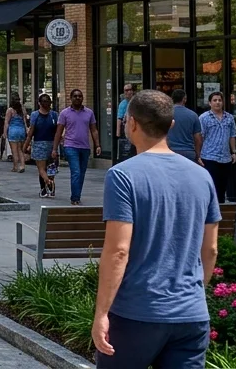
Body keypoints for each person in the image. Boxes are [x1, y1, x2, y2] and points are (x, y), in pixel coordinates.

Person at [92, 90, 220, 369]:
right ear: (171, 126)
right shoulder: (202, 176)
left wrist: (101, 313)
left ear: (132, 124)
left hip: (137, 312)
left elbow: (118, 251)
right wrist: (194, 292)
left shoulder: (123, 175)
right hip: (191, 314)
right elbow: (210, 249)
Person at [55, 89, 101, 206]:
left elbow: (94, 130)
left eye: (80, 96)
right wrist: (54, 149)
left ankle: (77, 195)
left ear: (82, 98)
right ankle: (75, 198)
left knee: (81, 173)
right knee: (76, 172)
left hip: (85, 147)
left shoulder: (89, 113)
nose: (77, 98)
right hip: (70, 146)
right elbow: (59, 132)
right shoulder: (65, 113)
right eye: (75, 96)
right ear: (71, 98)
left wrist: (97, 145)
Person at [198, 90, 236, 203]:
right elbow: (200, 137)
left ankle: (221, 211)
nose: (217, 102)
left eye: (220, 100)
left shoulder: (229, 118)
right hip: (209, 157)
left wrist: (234, 152)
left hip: (225, 158)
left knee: (222, 187)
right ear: (210, 103)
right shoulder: (204, 118)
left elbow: (232, 136)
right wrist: (198, 154)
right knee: (211, 186)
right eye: (215, 100)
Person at [26, 93, 59, 198]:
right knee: (44, 168)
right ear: (39, 103)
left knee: (48, 168)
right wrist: (26, 145)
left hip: (51, 143)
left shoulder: (54, 115)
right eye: (43, 101)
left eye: (47, 101)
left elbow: (58, 131)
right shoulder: (35, 115)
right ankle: (46, 186)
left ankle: (48, 185)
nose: (46, 103)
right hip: (40, 143)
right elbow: (31, 131)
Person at [166, 89, 202, 162]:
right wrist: (198, 155)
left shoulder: (166, 114)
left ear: (172, 99)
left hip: (170, 151)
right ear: (184, 99)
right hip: (188, 152)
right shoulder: (193, 115)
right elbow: (198, 138)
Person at [4, 96, 28, 173]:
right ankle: (22, 165)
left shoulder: (10, 110)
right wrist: (26, 130)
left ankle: (15, 166)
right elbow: (25, 121)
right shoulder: (22, 110)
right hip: (21, 130)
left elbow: (6, 122)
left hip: (13, 130)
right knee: (20, 150)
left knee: (14, 151)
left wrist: (5, 133)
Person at [115, 83, 135, 161]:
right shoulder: (123, 104)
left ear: (132, 91)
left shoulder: (136, 102)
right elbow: (119, 118)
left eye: (128, 90)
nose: (126, 92)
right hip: (127, 129)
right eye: (125, 90)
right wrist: (118, 133)